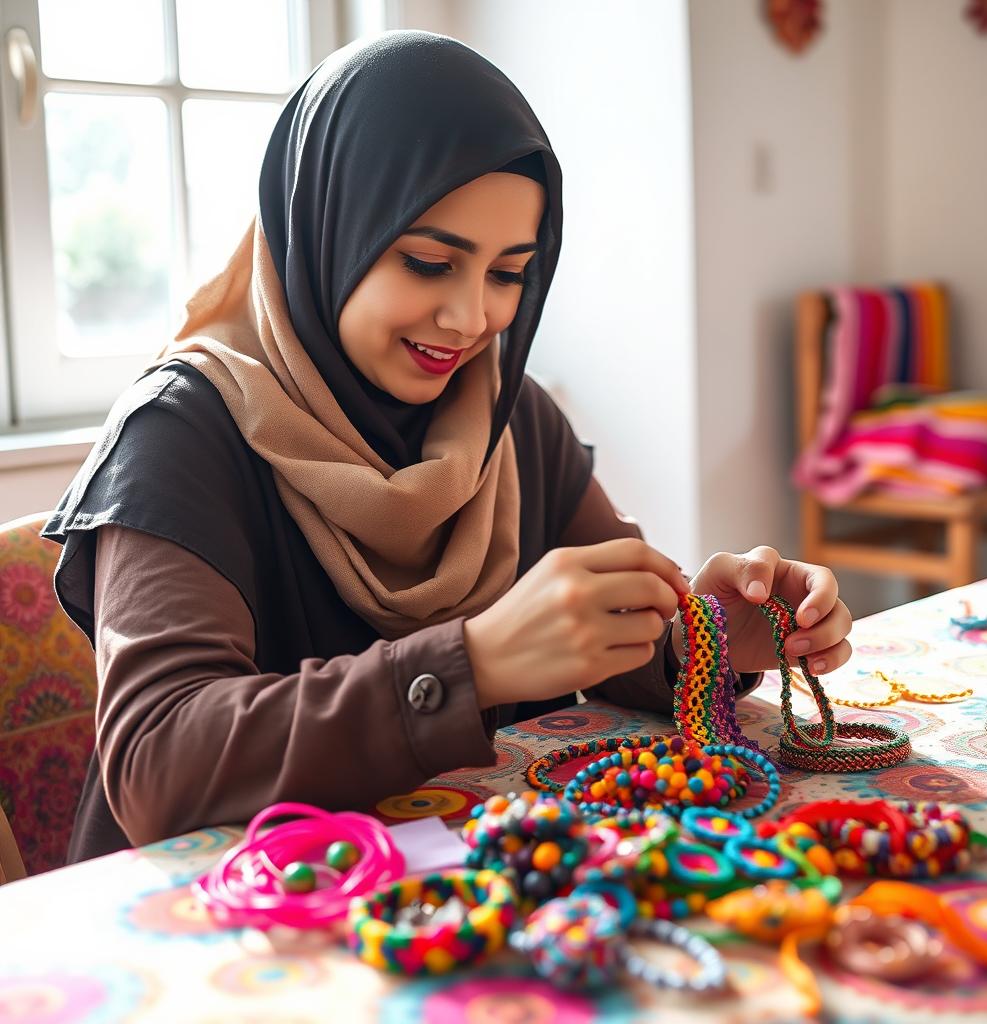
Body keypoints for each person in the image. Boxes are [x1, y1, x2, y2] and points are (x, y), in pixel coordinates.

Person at [43, 30, 852, 862]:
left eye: (508, 274)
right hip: (212, 926)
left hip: (446, 898)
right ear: (326, 229)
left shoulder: (504, 417)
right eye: (429, 262)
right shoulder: (180, 432)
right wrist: (470, 665)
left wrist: (711, 633)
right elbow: (157, 762)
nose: (471, 320)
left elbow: (612, 642)